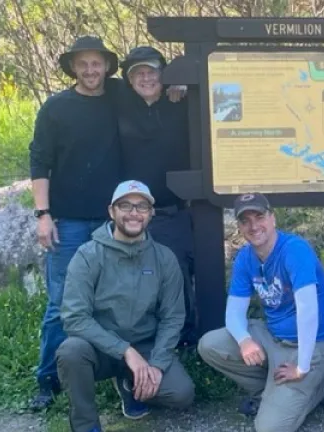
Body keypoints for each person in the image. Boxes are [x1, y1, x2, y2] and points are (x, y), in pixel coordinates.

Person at [28, 35, 123, 410]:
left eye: (95, 63)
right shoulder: (55, 108)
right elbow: (39, 161)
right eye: (82, 64)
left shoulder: (120, 99)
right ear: (73, 67)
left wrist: (180, 86)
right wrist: (43, 214)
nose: (89, 70)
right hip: (66, 223)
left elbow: (153, 85)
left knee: (113, 301)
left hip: (110, 222)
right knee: (60, 304)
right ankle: (47, 380)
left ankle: (115, 374)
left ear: (106, 66)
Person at [56, 180, 195, 432]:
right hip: (101, 347)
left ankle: (131, 385)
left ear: (151, 213)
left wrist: (157, 363)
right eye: (125, 206)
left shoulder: (164, 257)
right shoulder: (87, 255)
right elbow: (74, 318)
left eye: (142, 206)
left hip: (146, 346)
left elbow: (173, 317)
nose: (134, 213)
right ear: (112, 211)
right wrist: (125, 351)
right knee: (71, 351)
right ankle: (86, 425)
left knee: (181, 394)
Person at [197, 193, 324, 432]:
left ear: (272, 218)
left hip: (310, 345)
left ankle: (316, 386)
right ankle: (272, 393)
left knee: (268, 428)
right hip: (271, 338)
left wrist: (302, 367)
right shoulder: (245, 257)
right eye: (245, 220)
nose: (254, 226)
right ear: (240, 226)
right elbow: (234, 311)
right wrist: (244, 341)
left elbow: (308, 312)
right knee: (210, 344)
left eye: (259, 216)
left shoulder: (295, 250)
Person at [117, 46, 197, 346]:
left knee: (176, 274)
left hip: (172, 208)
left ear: (164, 74)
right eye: (138, 73)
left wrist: (186, 83)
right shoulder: (120, 103)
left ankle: (185, 339)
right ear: (129, 78)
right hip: (133, 211)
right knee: (139, 280)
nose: (146, 78)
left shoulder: (183, 101)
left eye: (152, 71)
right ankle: (146, 339)